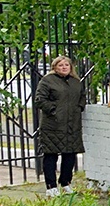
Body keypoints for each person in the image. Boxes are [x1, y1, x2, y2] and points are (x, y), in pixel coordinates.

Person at [34, 54, 86, 195]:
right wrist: (54, 110)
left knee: (69, 155)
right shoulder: (47, 81)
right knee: (51, 155)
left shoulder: (76, 82)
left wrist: (79, 107)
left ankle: (65, 182)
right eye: (60, 65)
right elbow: (39, 100)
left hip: (72, 124)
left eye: (66, 65)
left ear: (71, 67)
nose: (64, 67)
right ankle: (51, 186)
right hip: (53, 125)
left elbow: (82, 96)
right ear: (55, 67)